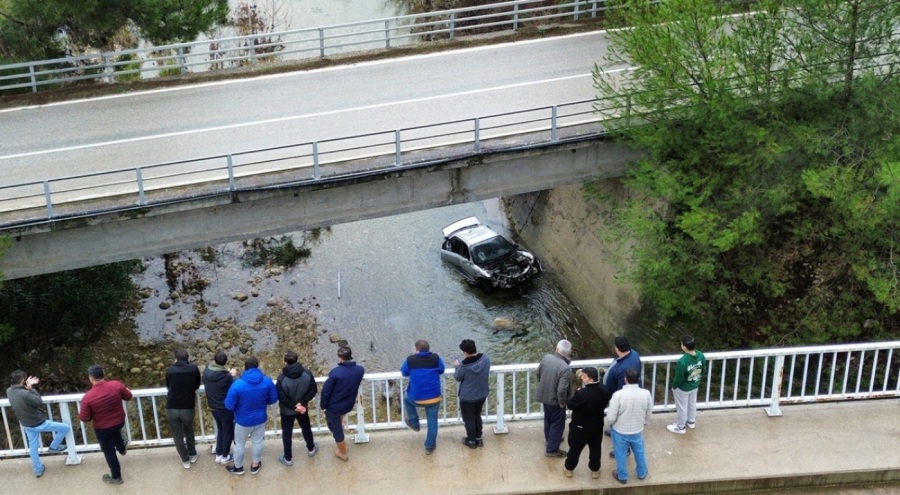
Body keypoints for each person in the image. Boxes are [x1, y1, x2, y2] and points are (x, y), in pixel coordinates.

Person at [7, 370, 72, 477]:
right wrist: (31, 389)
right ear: (23, 380)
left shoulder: (9, 391)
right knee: (65, 427)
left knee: (33, 447)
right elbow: (38, 402)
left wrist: (25, 388)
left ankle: (38, 469)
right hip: (38, 422)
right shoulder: (25, 394)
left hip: (26, 424)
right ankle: (54, 447)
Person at [79, 365, 133, 485]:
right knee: (116, 432)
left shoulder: (88, 397)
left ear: (91, 378)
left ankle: (116, 477)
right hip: (119, 422)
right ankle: (121, 448)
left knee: (109, 451)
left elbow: (84, 418)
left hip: (102, 428)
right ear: (103, 374)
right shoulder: (116, 385)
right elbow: (129, 396)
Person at [224, 357, 277, 475]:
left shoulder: (237, 384)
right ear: (257, 367)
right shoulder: (267, 381)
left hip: (242, 421)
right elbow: (273, 399)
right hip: (260, 419)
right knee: (258, 442)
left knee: (239, 444)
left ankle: (238, 468)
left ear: (245, 367)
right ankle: (255, 465)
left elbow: (229, 405)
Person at [563, 367, 611, 479]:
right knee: (595, 449)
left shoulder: (582, 394)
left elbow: (570, 404)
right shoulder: (605, 389)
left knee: (575, 448)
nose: (581, 378)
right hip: (597, 425)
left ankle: (569, 468)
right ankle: (595, 470)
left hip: (581, 426)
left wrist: (577, 393)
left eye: (584, 376)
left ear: (590, 378)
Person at [401, 339, 446, 455]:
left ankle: (414, 423)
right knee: (432, 421)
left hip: (418, 398)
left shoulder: (410, 360)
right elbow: (442, 370)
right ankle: (429, 446)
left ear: (416, 349)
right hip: (434, 397)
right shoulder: (436, 358)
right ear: (428, 349)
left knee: (406, 399)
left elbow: (404, 372)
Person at [607, 368, 651, 484]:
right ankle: (642, 473)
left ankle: (622, 476)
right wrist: (645, 422)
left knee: (620, 454)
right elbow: (649, 411)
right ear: (638, 379)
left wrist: (611, 424)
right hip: (637, 429)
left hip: (620, 430)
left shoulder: (618, 395)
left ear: (625, 379)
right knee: (640, 452)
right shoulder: (646, 393)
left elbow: (611, 417)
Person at [320, 346, 365, 461]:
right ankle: (342, 431)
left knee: (335, 429)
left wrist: (323, 405)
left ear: (340, 358)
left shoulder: (336, 372)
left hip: (334, 407)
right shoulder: (360, 370)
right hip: (348, 404)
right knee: (339, 422)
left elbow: (326, 391)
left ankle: (343, 453)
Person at [276, 349, 319, 466]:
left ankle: (288, 458)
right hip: (302, 409)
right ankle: (311, 449)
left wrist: (294, 406)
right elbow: (313, 390)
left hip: (287, 411)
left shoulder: (281, 378)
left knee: (287, 433)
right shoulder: (307, 373)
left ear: (285, 362)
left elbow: (281, 397)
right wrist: (302, 403)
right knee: (306, 428)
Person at [604, 336, 641, 458]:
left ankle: (624, 450)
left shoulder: (623, 368)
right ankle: (613, 431)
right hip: (628, 396)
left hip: (621, 400)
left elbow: (622, 390)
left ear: (617, 349)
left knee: (621, 423)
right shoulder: (634, 354)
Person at [165, 349, 201, 469]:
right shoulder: (194, 368)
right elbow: (197, 385)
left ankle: (185, 459)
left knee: (177, 435)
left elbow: (168, 386)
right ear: (187, 358)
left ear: (175, 359)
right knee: (189, 429)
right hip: (188, 407)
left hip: (172, 407)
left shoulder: (170, 370)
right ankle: (192, 453)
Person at [536, 339, 572, 457]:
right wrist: (562, 402)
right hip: (556, 400)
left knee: (548, 419)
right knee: (557, 423)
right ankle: (552, 449)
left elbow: (538, 373)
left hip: (544, 395)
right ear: (568, 352)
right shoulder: (565, 368)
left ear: (557, 348)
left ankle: (549, 439)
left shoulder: (546, 358)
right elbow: (561, 389)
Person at [453, 339, 490, 449]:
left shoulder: (464, 366)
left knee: (469, 419)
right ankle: (478, 438)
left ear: (465, 352)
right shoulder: (485, 359)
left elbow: (458, 377)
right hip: (482, 394)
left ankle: (471, 440)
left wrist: (457, 366)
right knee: (477, 416)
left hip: (467, 398)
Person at [667, 334, 707, 434]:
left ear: (684, 346)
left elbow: (678, 378)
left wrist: (674, 386)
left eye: (681, 344)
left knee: (682, 407)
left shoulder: (682, 361)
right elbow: (703, 369)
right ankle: (691, 422)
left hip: (683, 388)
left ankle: (680, 427)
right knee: (692, 404)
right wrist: (697, 379)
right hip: (695, 384)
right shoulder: (701, 355)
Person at [202, 351, 237, 465]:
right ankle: (225, 456)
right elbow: (234, 387)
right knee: (227, 431)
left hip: (213, 406)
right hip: (225, 408)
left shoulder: (206, 371)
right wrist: (232, 375)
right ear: (225, 362)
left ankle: (219, 454)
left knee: (221, 430)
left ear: (214, 360)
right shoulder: (226, 376)